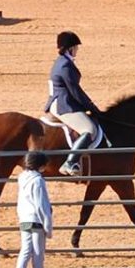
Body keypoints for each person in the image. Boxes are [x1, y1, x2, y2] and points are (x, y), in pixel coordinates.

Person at [45, 31, 104, 176]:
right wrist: (91, 107)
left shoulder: (63, 62)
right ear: (69, 48)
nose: (77, 50)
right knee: (89, 129)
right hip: (63, 104)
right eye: (76, 47)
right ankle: (70, 162)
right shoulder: (65, 66)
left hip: (64, 101)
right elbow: (75, 91)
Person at [12, 148, 54, 268]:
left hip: (24, 218)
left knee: (25, 251)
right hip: (36, 220)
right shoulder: (38, 181)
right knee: (38, 253)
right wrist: (48, 225)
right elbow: (41, 204)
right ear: (40, 165)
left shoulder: (22, 178)